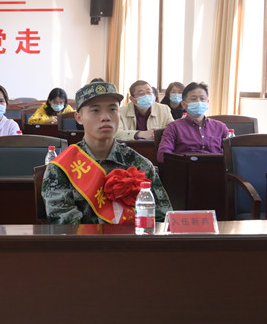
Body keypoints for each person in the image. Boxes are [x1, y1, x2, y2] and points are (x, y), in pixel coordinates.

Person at [42, 81, 172, 225]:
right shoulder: (61, 168)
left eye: (112, 109)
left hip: (134, 239)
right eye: (95, 110)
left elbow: (162, 219)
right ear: (79, 118)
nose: (106, 117)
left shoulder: (140, 165)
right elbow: (66, 225)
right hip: (84, 240)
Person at [156, 82, 230, 162]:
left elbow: (232, 153)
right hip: (184, 167)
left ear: (207, 102)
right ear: (184, 104)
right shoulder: (173, 127)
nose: (199, 102)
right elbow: (162, 155)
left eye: (202, 99)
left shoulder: (220, 127)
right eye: (194, 99)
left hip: (215, 167)